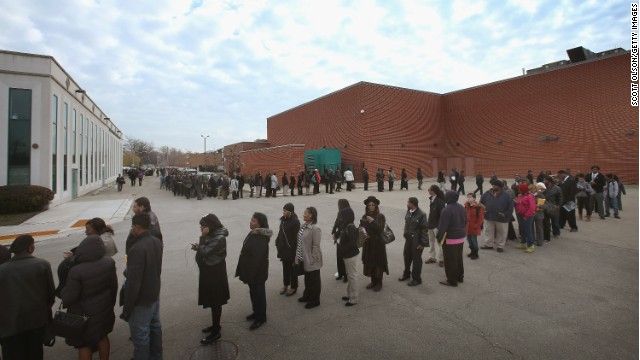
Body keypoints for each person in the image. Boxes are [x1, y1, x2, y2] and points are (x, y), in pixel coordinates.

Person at [62, 235, 118, 360]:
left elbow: (70, 297)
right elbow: (113, 286)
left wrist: (63, 298)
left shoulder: (76, 270)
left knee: (83, 344)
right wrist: (111, 304)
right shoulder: (109, 262)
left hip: (82, 313)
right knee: (102, 337)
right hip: (103, 309)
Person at [0, 235, 55, 360]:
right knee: (35, 354)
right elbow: (50, 296)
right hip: (36, 321)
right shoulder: (42, 264)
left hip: (9, 327)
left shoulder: (2, 270)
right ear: (30, 248)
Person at [121, 213, 164, 360]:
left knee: (141, 338)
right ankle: (157, 356)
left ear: (138, 228)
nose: (132, 229)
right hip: (154, 293)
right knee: (155, 329)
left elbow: (133, 282)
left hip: (141, 300)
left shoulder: (137, 248)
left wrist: (127, 308)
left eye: (132, 226)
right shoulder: (156, 242)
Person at [192, 214, 230, 344]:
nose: (201, 228)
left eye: (203, 226)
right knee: (212, 300)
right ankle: (215, 325)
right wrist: (200, 246)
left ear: (210, 226)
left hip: (215, 273)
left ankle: (216, 332)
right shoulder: (212, 235)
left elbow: (205, 252)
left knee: (216, 301)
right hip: (210, 271)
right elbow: (204, 250)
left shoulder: (219, 238)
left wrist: (201, 241)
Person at [235, 213, 272, 330]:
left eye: (254, 221)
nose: (251, 222)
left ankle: (261, 318)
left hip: (257, 273)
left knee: (259, 295)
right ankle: (256, 312)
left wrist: (251, 274)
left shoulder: (260, 237)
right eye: (251, 219)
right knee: (254, 294)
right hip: (251, 271)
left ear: (260, 224)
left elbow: (257, 259)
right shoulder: (255, 232)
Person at [436, 191, 467, 287]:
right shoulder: (461, 207)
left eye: (446, 196)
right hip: (461, 237)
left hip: (450, 238)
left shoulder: (446, 210)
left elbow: (443, 227)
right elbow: (465, 221)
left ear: (448, 198)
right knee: (458, 258)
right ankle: (460, 276)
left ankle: (452, 280)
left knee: (450, 260)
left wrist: (439, 237)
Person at [296, 207, 323, 309]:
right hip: (303, 257)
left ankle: (315, 300)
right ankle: (307, 295)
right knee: (307, 278)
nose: (303, 215)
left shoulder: (315, 228)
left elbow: (316, 245)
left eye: (305, 213)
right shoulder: (304, 226)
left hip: (312, 259)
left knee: (314, 280)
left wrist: (312, 259)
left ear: (311, 215)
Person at [360, 196, 388, 292]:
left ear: (376, 206)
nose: (371, 206)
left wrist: (372, 221)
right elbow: (361, 227)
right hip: (368, 243)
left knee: (378, 263)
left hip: (378, 244)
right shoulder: (364, 216)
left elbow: (380, 229)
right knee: (370, 262)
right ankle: (373, 281)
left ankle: (379, 282)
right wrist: (364, 234)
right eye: (369, 205)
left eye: (373, 205)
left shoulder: (380, 216)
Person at [398, 197, 428, 286]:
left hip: (417, 240)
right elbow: (407, 223)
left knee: (416, 260)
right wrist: (405, 233)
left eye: (408, 202)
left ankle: (417, 279)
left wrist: (422, 243)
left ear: (412, 203)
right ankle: (407, 274)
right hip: (408, 239)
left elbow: (424, 229)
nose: (407, 204)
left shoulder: (422, 214)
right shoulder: (409, 211)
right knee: (406, 256)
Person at [480, 179, 513, 253]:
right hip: (489, 216)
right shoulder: (487, 193)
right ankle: (488, 244)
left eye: (495, 186)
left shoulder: (507, 195)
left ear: (500, 187)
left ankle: (500, 246)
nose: (493, 187)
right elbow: (481, 201)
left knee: (502, 232)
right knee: (488, 230)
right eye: (493, 185)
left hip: (501, 217)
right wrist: (483, 210)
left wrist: (505, 214)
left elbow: (510, 207)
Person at [275, 203, 301, 297]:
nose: (283, 212)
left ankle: (293, 287)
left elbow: (297, 237)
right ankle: (286, 284)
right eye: (283, 210)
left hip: (291, 250)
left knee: (292, 269)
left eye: (285, 211)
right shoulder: (283, 220)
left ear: (290, 212)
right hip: (283, 249)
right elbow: (281, 232)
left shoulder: (295, 222)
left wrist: (293, 250)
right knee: (285, 268)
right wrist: (277, 241)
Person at [336, 207, 360, 306]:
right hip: (347, 254)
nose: (340, 217)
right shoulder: (346, 225)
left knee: (352, 276)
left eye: (342, 216)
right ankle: (350, 294)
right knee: (350, 275)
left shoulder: (350, 227)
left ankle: (354, 298)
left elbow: (352, 243)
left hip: (351, 255)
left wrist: (342, 247)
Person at [425, 185, 445, 267]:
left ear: (434, 191)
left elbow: (442, 215)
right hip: (430, 224)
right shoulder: (431, 199)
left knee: (440, 243)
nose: (428, 190)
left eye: (429, 189)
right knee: (431, 241)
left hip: (437, 225)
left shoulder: (440, 201)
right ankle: (432, 257)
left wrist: (439, 226)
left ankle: (441, 259)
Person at [331, 199, 351, 282]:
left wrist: (336, 234)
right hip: (339, 237)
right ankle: (340, 273)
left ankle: (346, 275)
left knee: (344, 257)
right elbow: (336, 223)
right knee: (339, 257)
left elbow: (343, 225)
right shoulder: (340, 213)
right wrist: (333, 232)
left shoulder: (348, 214)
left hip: (345, 237)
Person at [514, 183, 537, 253]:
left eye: (519, 189)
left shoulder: (530, 196)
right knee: (522, 229)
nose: (518, 190)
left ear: (523, 189)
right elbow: (518, 204)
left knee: (528, 230)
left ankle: (530, 245)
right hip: (520, 214)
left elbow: (532, 207)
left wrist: (526, 216)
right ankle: (523, 243)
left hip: (528, 216)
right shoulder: (519, 195)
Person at [543, 176, 563, 241]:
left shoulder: (557, 188)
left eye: (545, 180)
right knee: (546, 222)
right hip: (546, 207)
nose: (544, 181)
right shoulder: (543, 188)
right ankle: (546, 234)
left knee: (555, 221)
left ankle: (556, 233)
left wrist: (558, 206)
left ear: (549, 181)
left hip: (554, 207)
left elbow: (560, 198)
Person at [464, 193, 484, 259]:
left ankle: (475, 253)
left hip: (474, 227)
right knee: (469, 240)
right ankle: (472, 251)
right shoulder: (466, 205)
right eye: (468, 197)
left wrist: (476, 226)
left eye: (470, 197)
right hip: (467, 227)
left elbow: (480, 218)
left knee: (474, 240)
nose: (468, 198)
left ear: (474, 198)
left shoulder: (478, 207)